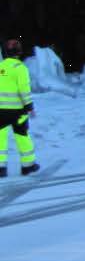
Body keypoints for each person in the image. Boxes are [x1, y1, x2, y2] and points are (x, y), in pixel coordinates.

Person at [0, 38, 38, 177]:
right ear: (19, 52)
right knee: (22, 137)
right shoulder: (20, 68)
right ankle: (28, 166)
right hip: (18, 112)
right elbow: (24, 89)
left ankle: (1, 168)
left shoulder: (0, 67)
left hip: (0, 111)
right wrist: (29, 106)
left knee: (0, 138)